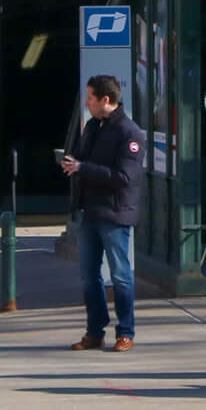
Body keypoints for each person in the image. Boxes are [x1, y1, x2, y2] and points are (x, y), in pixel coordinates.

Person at [60, 75, 145, 352]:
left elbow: (124, 177)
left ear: (105, 100)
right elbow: (84, 159)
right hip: (90, 211)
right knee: (89, 274)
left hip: (115, 213)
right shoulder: (93, 127)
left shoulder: (129, 133)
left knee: (120, 274)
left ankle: (126, 331)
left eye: (91, 98)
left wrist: (82, 168)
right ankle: (95, 330)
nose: (87, 103)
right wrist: (72, 162)